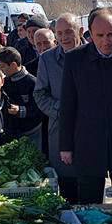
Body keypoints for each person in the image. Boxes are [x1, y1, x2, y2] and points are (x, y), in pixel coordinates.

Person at [62, 7, 112, 208]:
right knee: (90, 204)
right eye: (99, 35)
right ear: (89, 32)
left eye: (111, 34)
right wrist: (66, 146)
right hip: (88, 144)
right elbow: (68, 104)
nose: (106, 41)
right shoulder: (75, 59)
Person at [34, 13, 82, 199]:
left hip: (90, 132)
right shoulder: (47, 59)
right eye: (59, 33)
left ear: (80, 31)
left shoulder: (93, 54)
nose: (64, 37)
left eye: (69, 31)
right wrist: (62, 109)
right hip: (60, 131)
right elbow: (39, 94)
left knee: (91, 189)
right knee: (67, 188)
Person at [0, 47, 42, 148]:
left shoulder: (32, 82)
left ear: (13, 65)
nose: (1, 70)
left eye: (2, 66)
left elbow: (39, 108)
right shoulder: (6, 82)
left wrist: (20, 110)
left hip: (32, 131)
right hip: (14, 131)